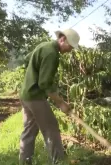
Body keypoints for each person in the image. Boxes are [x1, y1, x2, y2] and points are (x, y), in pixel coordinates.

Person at [18, 28, 80, 165]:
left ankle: (24, 161)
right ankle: (59, 162)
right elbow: (45, 83)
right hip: (35, 96)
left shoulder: (43, 46)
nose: (70, 50)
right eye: (70, 46)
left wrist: (31, 76)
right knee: (51, 129)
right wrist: (61, 103)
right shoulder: (52, 54)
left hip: (25, 94)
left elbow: (27, 59)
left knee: (29, 130)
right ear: (62, 39)